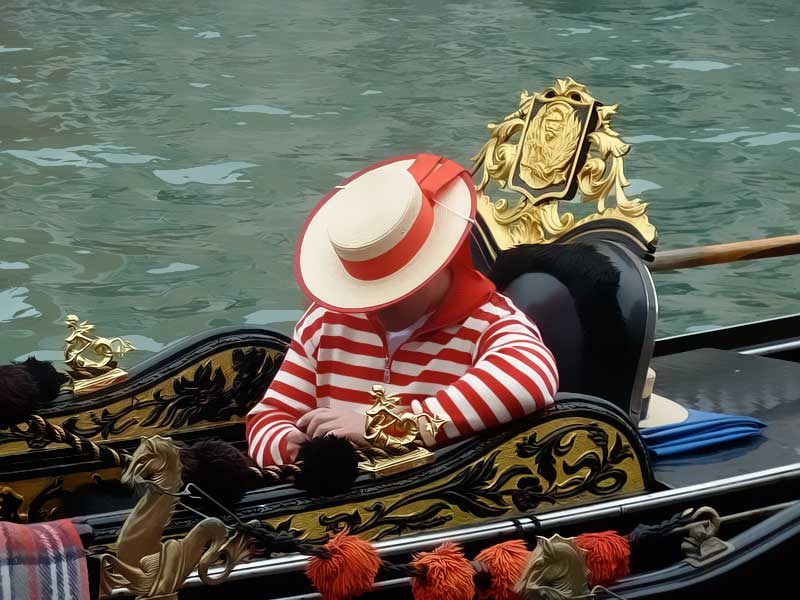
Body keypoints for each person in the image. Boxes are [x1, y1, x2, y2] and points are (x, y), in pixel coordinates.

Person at [246, 154, 558, 467]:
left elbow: (530, 379)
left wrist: (388, 428)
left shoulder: (490, 322)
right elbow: (267, 420)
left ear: (434, 263)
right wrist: (295, 447)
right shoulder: (325, 321)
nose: (376, 306)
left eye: (391, 290)